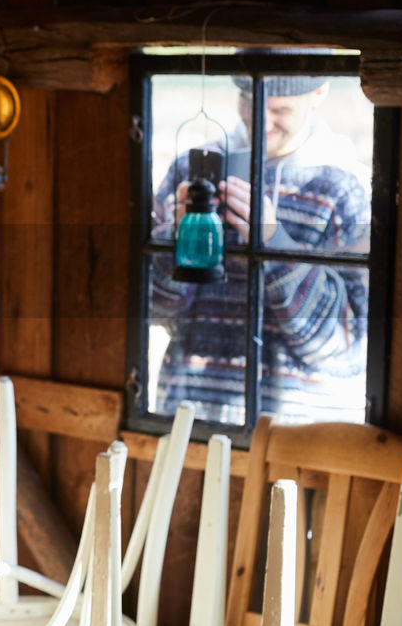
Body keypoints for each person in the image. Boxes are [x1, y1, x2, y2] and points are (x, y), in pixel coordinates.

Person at [151, 75, 371, 424]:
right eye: (250, 102)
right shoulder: (189, 170)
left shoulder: (345, 189)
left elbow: (348, 348)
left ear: (319, 93)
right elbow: (155, 311)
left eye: (280, 109)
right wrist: (175, 241)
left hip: (298, 439)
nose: (261, 120)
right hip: (189, 421)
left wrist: (275, 242)